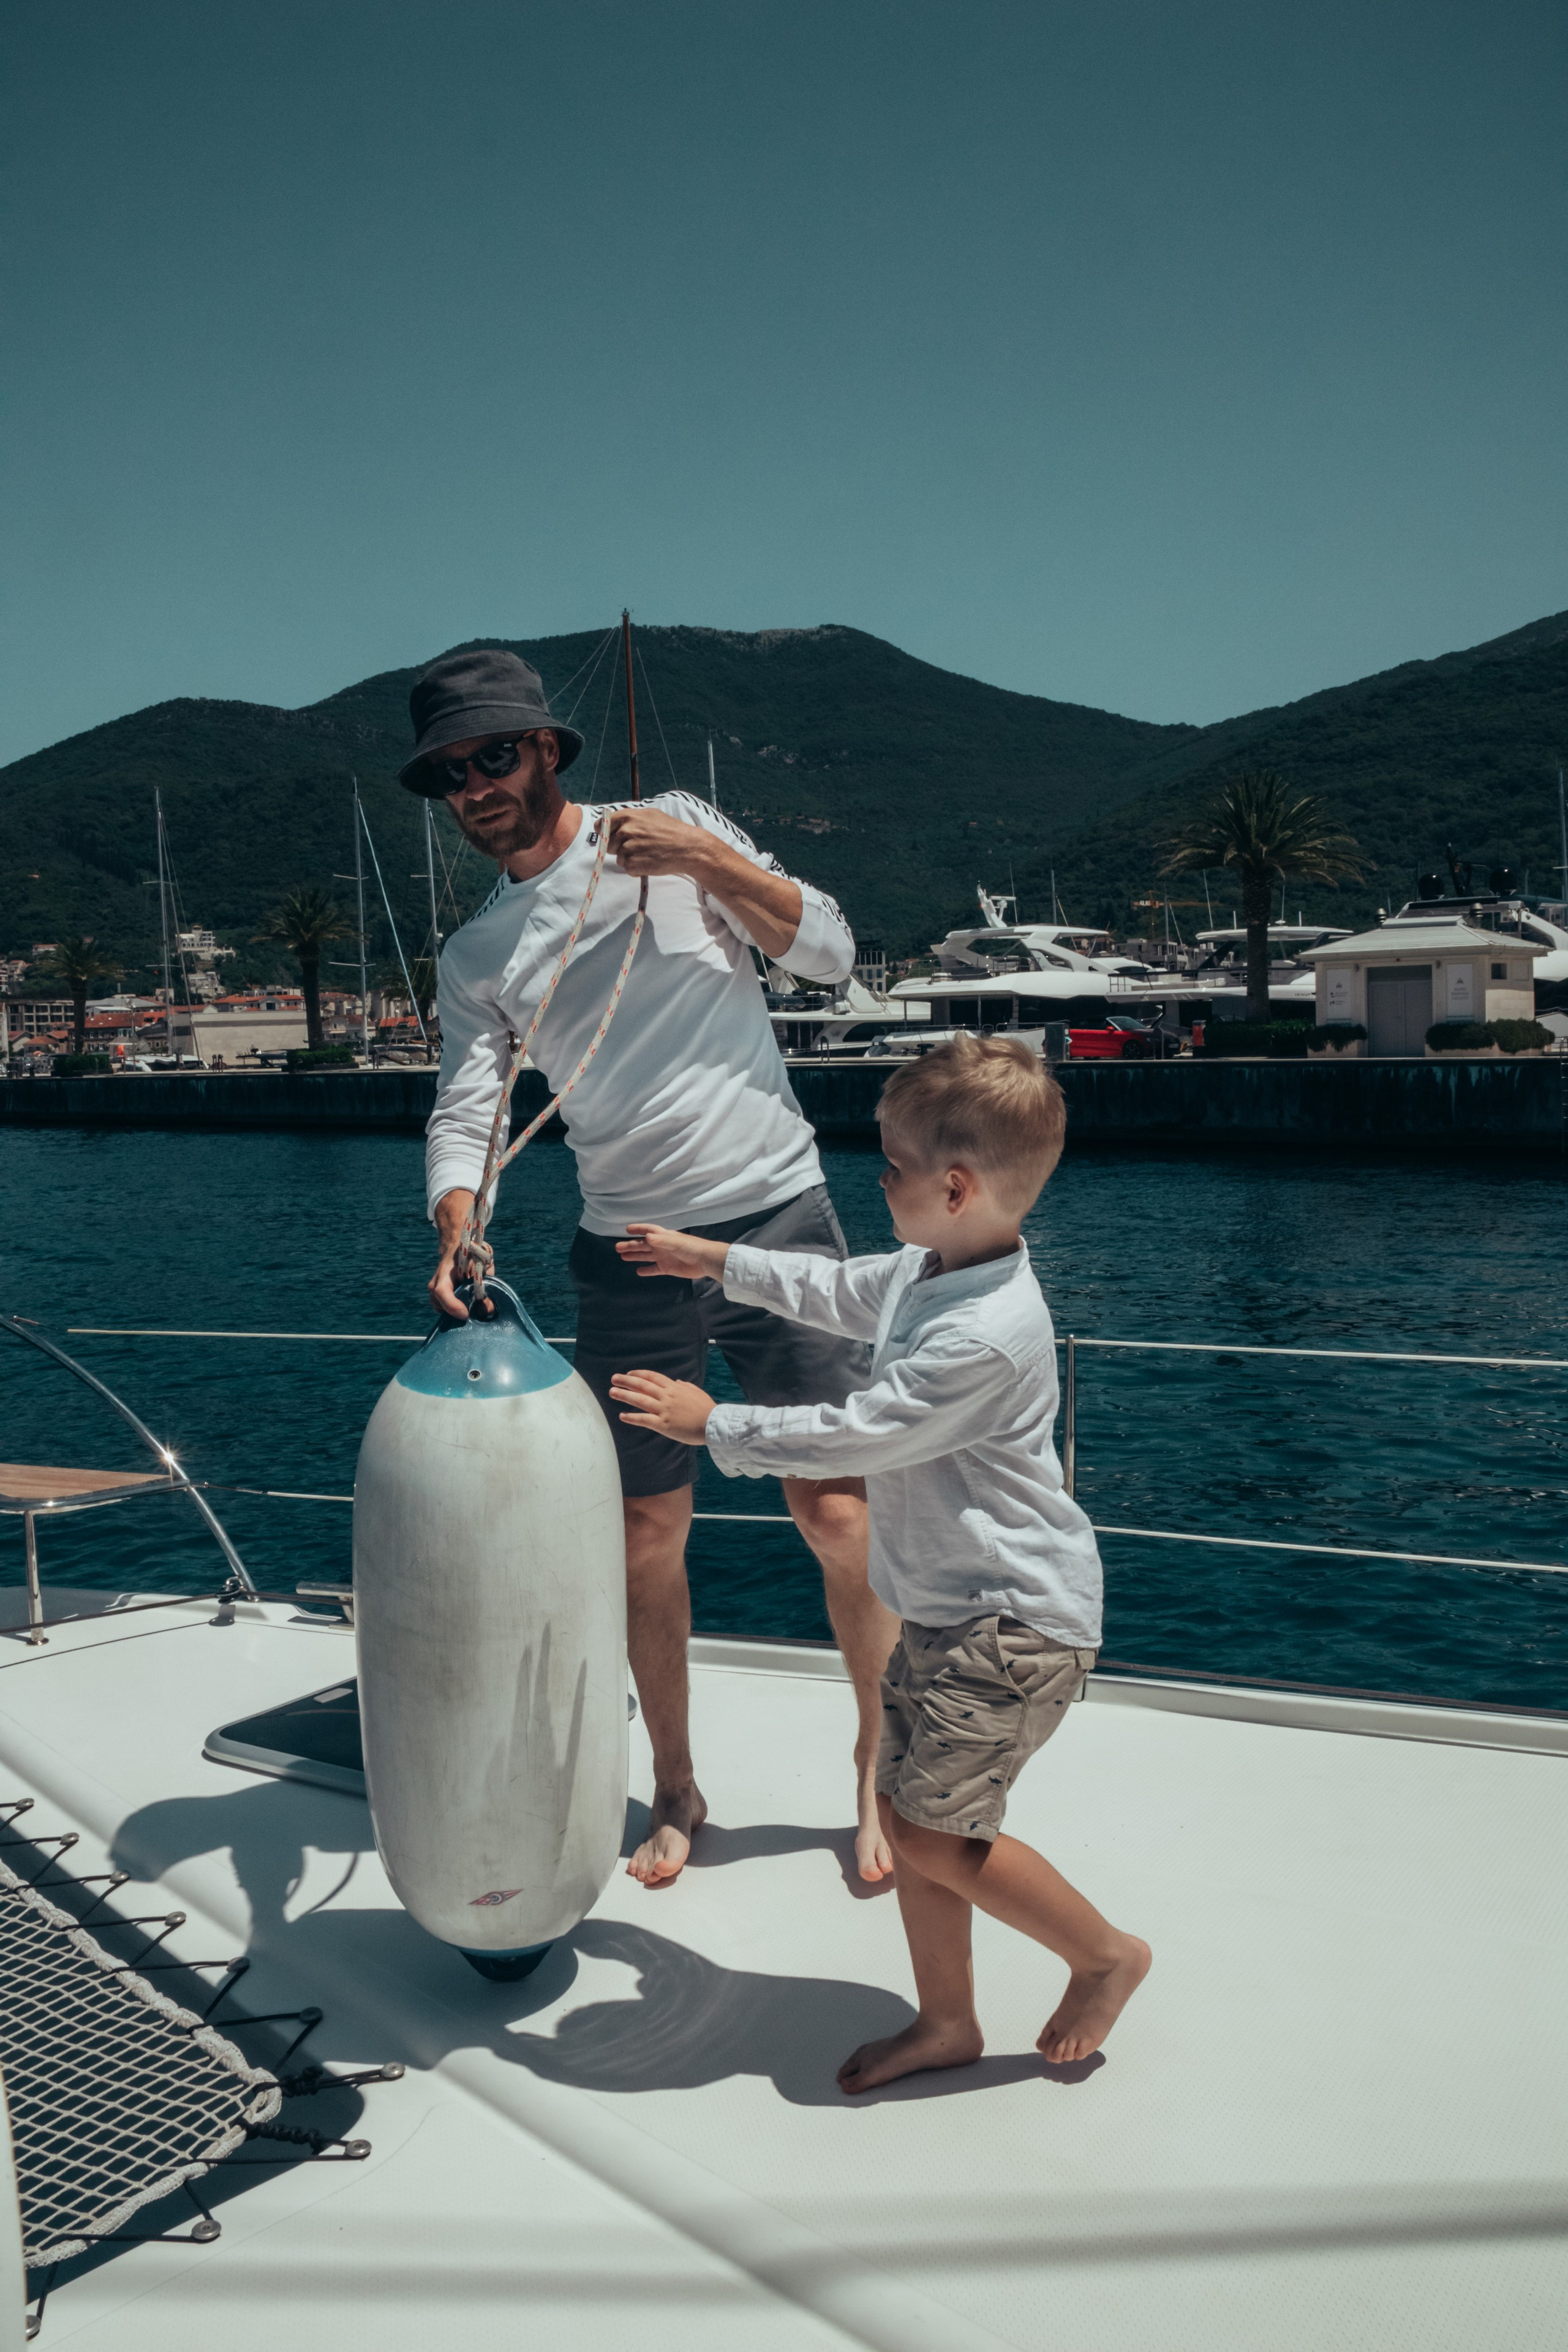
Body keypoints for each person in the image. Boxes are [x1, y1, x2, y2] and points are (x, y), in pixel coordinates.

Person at [402, 646, 898, 1889]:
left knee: (836, 1511)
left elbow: (829, 953)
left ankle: (876, 1769)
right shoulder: (479, 954)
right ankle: (676, 1785)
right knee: (638, 1536)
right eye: (450, 773)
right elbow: (466, 1107)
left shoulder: (669, 825)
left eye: (494, 755)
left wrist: (708, 864)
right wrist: (456, 1217)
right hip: (624, 1253)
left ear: (546, 749)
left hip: (773, 1219)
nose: (475, 785)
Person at [609, 1033, 1152, 2089]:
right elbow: (836, 1291)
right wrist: (712, 1259)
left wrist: (712, 1422)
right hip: (946, 1608)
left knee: (936, 1835)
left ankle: (1103, 1955)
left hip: (1010, 1623)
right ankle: (946, 2021)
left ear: (955, 1187)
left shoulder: (983, 1336)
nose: (880, 1179)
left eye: (892, 1166)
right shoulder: (931, 1270)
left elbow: (858, 1433)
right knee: (914, 1826)